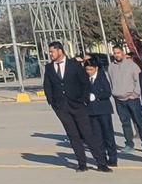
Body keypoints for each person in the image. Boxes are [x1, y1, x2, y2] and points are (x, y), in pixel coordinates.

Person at [43, 42, 109, 172]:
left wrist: (84, 100)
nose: (50, 54)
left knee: (88, 133)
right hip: (61, 107)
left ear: (60, 51)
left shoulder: (74, 65)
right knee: (73, 135)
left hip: (78, 104)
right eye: (49, 52)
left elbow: (84, 83)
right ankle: (82, 163)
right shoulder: (49, 68)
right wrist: (52, 102)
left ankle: (101, 162)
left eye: (52, 51)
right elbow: (47, 85)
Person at [107, 49, 142, 153]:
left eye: (118, 53)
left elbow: (138, 80)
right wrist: (114, 93)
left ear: (123, 53)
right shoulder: (111, 67)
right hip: (119, 100)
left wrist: (135, 94)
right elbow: (110, 81)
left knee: (139, 121)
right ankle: (129, 144)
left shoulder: (132, 65)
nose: (116, 55)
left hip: (132, 99)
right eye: (115, 53)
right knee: (125, 123)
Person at [85, 54, 119, 168]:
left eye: (91, 69)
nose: (89, 72)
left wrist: (97, 96)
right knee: (97, 137)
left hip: (103, 110)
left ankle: (113, 157)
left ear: (96, 68)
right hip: (92, 111)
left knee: (108, 135)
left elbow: (107, 92)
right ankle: (102, 158)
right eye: (87, 69)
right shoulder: (85, 79)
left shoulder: (102, 77)